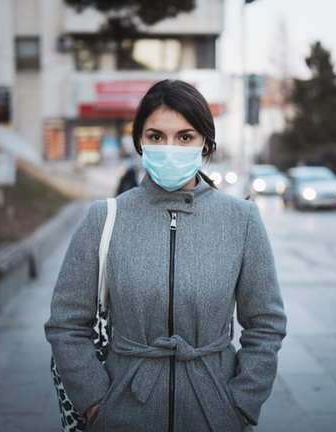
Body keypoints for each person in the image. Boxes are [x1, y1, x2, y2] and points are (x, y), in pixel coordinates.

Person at [45, 79, 287, 432]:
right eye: (156, 136)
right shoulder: (105, 217)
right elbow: (66, 322)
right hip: (122, 413)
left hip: (214, 414)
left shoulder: (242, 220)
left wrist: (242, 404)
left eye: (184, 136)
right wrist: (96, 404)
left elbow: (266, 323)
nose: (169, 147)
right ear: (140, 142)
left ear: (205, 143)